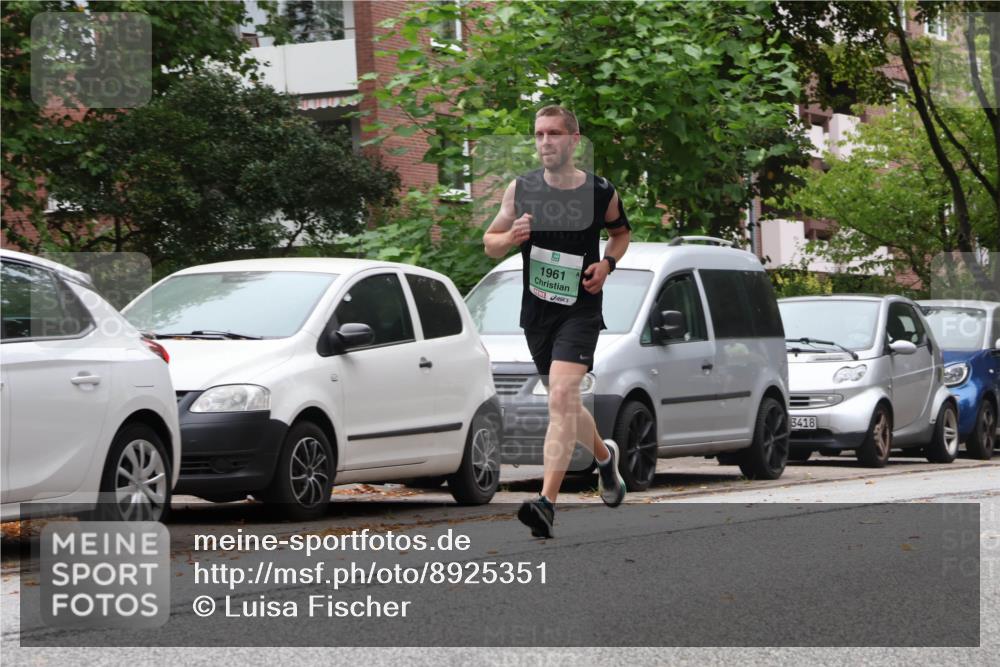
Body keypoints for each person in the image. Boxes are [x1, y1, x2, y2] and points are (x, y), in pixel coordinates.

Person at [483, 105, 632, 538]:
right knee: (565, 404)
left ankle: (547, 503)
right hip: (537, 312)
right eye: (538, 134)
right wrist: (510, 238)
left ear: (573, 140)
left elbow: (621, 234)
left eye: (553, 134)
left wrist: (606, 264)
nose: (545, 142)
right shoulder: (522, 190)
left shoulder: (601, 192)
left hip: (581, 308)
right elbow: (489, 243)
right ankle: (605, 459)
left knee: (562, 395)